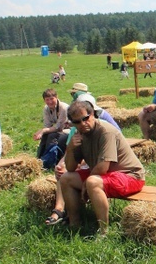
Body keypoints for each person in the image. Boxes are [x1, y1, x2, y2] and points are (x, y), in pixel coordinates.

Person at [60, 100, 145, 236]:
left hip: (131, 176)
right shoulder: (78, 135)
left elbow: (102, 167)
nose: (82, 124)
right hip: (105, 176)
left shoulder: (106, 131)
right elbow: (70, 168)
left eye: (85, 118)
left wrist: (85, 186)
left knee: (92, 182)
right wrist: (70, 149)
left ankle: (103, 231)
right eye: (77, 122)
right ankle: (74, 225)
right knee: (66, 179)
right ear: (72, 123)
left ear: (92, 114)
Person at [33, 89, 69, 159]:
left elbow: (59, 127)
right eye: (47, 100)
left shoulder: (63, 108)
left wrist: (43, 131)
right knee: (45, 135)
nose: (50, 102)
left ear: (57, 97)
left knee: (52, 136)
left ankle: (49, 158)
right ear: (44, 100)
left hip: (70, 129)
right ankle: (39, 158)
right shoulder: (46, 108)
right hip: (60, 128)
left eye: (52, 99)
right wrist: (41, 133)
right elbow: (47, 125)